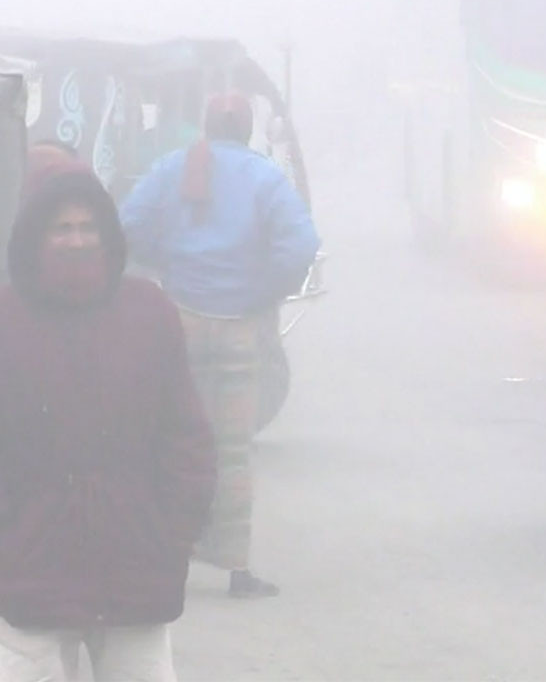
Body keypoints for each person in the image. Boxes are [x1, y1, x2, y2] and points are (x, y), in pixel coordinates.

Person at [0, 160, 216, 682]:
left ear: (108, 233)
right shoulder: (7, 320)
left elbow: (185, 438)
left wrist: (175, 536)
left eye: (88, 227)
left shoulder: (149, 314)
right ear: (34, 236)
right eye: (61, 228)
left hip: (136, 567)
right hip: (28, 573)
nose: (76, 241)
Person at [120, 92, 320, 598]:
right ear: (249, 128)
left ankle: (169, 554)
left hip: (181, 320)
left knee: (174, 441)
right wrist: (265, 290)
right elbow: (300, 244)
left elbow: (128, 226)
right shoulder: (265, 177)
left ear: (204, 126)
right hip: (241, 326)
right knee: (230, 449)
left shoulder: (172, 167)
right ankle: (235, 568)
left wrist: (164, 261)